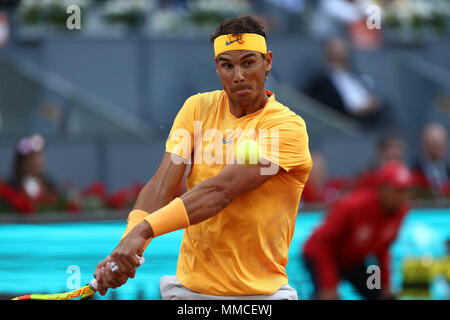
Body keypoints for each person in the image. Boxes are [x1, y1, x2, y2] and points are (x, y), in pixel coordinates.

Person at [93, 15, 313, 300]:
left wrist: (143, 232)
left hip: (262, 296)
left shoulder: (286, 127)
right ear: (217, 67)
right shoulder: (196, 108)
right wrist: (125, 248)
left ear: (267, 62)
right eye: (227, 65)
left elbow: (220, 191)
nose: (238, 76)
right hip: (189, 291)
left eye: (248, 63)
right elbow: (162, 185)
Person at [302, 160, 412, 300]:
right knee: (327, 297)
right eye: (398, 191)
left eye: (407, 190)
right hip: (322, 256)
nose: (403, 197)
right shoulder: (353, 206)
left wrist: (385, 284)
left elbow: (382, 250)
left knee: (382, 296)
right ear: (382, 189)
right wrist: (329, 286)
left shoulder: (400, 211)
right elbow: (322, 244)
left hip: (354, 261)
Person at [305, 37, 386, 126]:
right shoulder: (321, 82)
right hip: (346, 123)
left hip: (371, 119)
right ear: (328, 56)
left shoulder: (355, 76)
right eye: (336, 56)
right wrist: (357, 111)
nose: (342, 58)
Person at [412, 122, 450, 198]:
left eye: (438, 144)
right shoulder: (414, 175)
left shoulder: (448, 172)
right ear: (423, 145)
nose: (435, 149)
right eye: (431, 144)